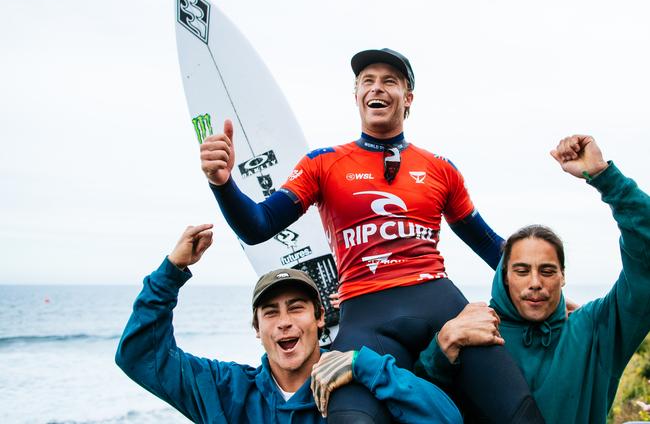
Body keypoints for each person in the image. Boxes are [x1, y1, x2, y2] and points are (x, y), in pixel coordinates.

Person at [200, 48, 544, 423]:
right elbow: (258, 225)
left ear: (407, 97)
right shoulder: (324, 163)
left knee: (520, 414)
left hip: (440, 305)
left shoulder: (440, 169)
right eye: (367, 81)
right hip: (365, 317)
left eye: (389, 81)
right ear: (356, 95)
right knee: (351, 419)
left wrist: (555, 298)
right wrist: (223, 183)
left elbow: (492, 247)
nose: (376, 88)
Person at [115, 223, 462, 424]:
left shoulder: (360, 380)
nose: (284, 322)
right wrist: (171, 272)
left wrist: (365, 366)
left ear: (320, 318)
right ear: (257, 329)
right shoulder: (226, 389)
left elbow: (447, 419)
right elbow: (139, 357)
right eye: (270, 312)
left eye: (296, 308)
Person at [416, 134, 650, 423]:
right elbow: (421, 404)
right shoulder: (470, 334)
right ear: (504, 276)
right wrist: (441, 348)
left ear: (563, 276)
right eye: (522, 270)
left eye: (548, 271)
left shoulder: (595, 332)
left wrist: (605, 177)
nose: (535, 282)